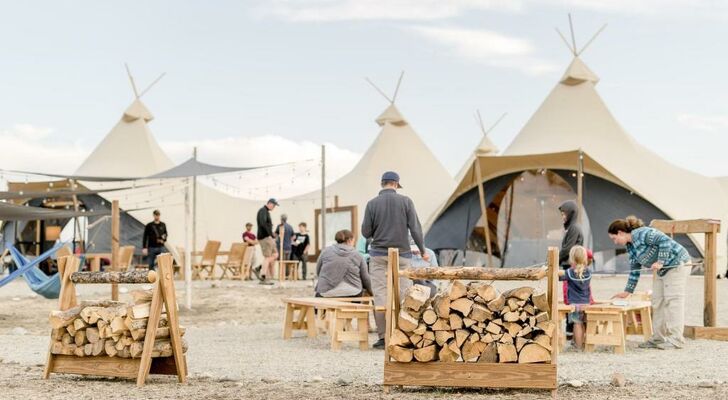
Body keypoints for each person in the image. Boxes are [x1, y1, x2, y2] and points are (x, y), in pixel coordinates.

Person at [362, 171, 428, 349]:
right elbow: (415, 228)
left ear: (382, 183)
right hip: (403, 255)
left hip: (378, 255)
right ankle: (404, 335)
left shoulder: (372, 204)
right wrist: (422, 250)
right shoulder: (406, 201)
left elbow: (366, 233)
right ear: (396, 184)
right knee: (404, 294)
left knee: (381, 295)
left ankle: (384, 337)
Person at [608, 216, 691, 350]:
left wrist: (660, 261)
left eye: (614, 238)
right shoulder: (631, 247)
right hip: (663, 269)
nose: (615, 242)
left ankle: (676, 339)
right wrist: (628, 291)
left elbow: (665, 241)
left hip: (676, 264)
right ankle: (658, 338)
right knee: (657, 302)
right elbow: (635, 269)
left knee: (673, 301)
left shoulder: (643, 233)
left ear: (620, 233)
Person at [315, 229, 372, 298]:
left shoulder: (325, 251)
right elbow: (365, 278)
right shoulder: (357, 254)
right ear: (350, 240)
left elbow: (318, 271)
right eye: (354, 241)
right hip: (353, 292)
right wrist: (371, 292)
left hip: (326, 292)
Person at [559, 246, 592, 350]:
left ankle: (578, 346)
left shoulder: (570, 272)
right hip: (586, 303)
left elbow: (559, 276)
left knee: (577, 324)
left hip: (575, 304)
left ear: (571, 258)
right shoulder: (588, 272)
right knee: (582, 324)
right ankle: (581, 344)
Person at [558, 200, 583, 340]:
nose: (563, 217)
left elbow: (568, 249)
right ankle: (570, 330)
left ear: (570, 214)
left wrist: (554, 259)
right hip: (570, 266)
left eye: (564, 214)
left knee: (571, 298)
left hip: (572, 267)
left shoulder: (574, 228)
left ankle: (571, 331)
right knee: (570, 298)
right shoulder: (572, 228)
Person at [253, 198, 279, 285]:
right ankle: (263, 276)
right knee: (267, 257)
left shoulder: (266, 212)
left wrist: (271, 234)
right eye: (274, 205)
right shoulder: (262, 211)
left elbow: (266, 224)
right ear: (270, 203)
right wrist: (270, 234)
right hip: (264, 237)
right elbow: (263, 224)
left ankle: (259, 268)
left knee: (275, 254)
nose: (274, 207)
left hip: (268, 237)